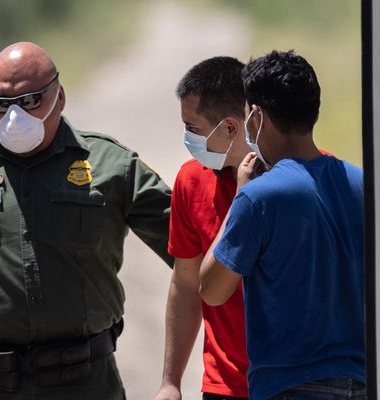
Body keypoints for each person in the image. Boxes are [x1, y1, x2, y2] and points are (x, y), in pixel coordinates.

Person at [0, 41, 173, 400]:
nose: (14, 116)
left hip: (84, 383)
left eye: (31, 101)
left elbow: (196, 255)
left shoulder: (112, 165)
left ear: (59, 97)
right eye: (1, 105)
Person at [199, 50, 366, 400]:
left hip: (290, 388)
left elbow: (212, 289)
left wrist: (240, 195)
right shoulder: (366, 185)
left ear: (256, 116)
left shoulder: (259, 198)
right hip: (364, 382)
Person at [157, 56, 252, 400]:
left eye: (193, 129)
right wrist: (170, 381)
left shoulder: (292, 177)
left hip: (295, 386)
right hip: (223, 385)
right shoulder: (190, 180)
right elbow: (185, 284)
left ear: (230, 127)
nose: (187, 139)